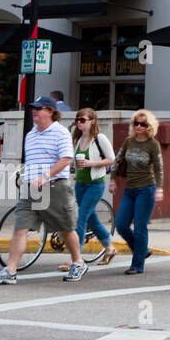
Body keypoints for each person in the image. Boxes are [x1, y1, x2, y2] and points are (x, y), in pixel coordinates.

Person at [0, 96, 88, 284]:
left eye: (39, 108)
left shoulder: (60, 133)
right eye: (33, 108)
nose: (34, 111)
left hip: (55, 187)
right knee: (21, 227)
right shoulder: (31, 134)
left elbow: (66, 159)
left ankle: (78, 262)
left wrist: (45, 176)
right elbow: (31, 161)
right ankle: (10, 270)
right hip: (31, 189)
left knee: (66, 228)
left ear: (50, 111)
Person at [59, 108, 117, 270]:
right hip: (80, 184)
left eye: (83, 120)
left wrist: (92, 163)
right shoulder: (79, 139)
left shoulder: (100, 138)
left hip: (95, 184)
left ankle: (76, 260)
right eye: (77, 119)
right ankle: (110, 248)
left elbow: (111, 159)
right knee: (92, 219)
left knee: (81, 219)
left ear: (92, 121)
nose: (79, 122)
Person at [109, 109, 165, 275]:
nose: (139, 126)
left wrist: (159, 188)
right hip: (129, 189)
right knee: (121, 225)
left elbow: (159, 167)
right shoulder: (129, 141)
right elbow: (117, 160)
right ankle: (142, 250)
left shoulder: (152, 144)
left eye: (143, 124)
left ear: (149, 126)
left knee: (140, 227)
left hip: (146, 189)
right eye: (136, 123)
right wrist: (112, 180)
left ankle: (137, 264)